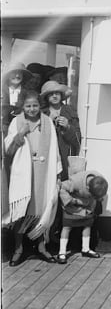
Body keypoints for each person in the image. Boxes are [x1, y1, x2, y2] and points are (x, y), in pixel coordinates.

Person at [2, 90, 61, 266]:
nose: (32, 109)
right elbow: (8, 151)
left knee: (41, 208)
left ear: (40, 105)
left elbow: (54, 149)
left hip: (43, 171)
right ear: (22, 106)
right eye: (28, 106)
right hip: (23, 173)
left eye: (35, 105)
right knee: (22, 211)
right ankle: (19, 248)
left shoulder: (47, 122)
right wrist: (20, 133)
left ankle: (41, 247)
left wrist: (57, 172)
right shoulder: (16, 122)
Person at [57, 171, 108, 264]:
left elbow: (99, 192)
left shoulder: (101, 181)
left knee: (87, 225)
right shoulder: (76, 182)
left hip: (87, 207)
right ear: (88, 187)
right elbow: (62, 188)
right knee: (67, 226)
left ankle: (86, 249)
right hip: (73, 206)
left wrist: (98, 198)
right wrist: (72, 201)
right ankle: (62, 252)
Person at [41, 80, 81, 181]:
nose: (54, 96)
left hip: (66, 155)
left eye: (57, 93)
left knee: (66, 184)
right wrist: (49, 122)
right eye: (51, 94)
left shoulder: (69, 110)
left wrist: (68, 127)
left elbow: (78, 138)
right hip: (49, 154)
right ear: (46, 97)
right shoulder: (42, 114)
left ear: (61, 95)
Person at [1, 62, 33, 136]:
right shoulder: (1, 90)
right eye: (14, 72)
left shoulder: (28, 93)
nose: (17, 75)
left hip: (21, 129)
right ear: (7, 75)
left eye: (20, 73)